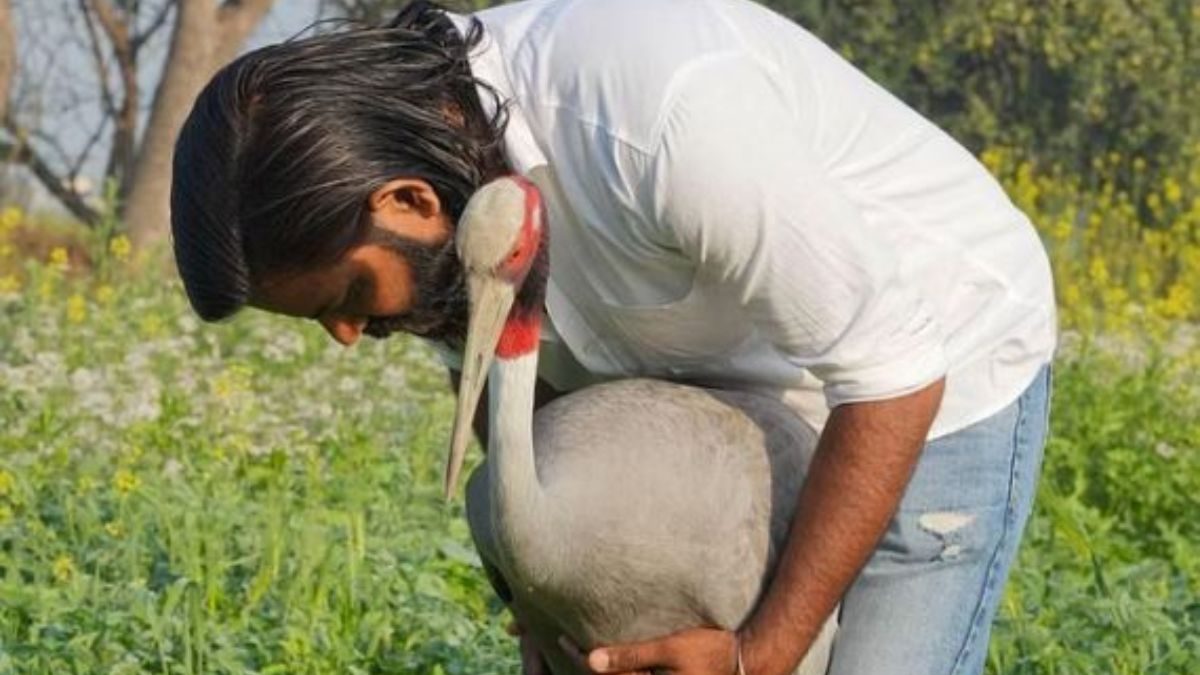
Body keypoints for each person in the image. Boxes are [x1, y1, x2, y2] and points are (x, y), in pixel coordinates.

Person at [170, 0, 1056, 673]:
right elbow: (519, 407)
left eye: (351, 296)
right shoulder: (443, 195)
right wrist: (553, 600)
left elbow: (892, 372)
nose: (349, 334)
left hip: (925, 363)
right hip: (711, 375)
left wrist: (757, 654)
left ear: (407, 202)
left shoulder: (657, 112)